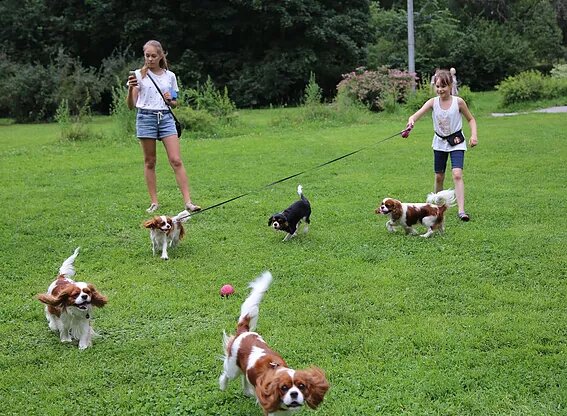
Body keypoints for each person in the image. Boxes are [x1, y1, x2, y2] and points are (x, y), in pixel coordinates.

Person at [127, 40, 200, 213]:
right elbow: (131, 105)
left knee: (176, 160)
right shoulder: (138, 75)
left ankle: (188, 202)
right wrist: (130, 89)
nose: (150, 59)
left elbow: (174, 103)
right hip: (145, 117)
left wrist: (170, 100)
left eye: (153, 56)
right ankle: (154, 202)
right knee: (150, 161)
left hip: (165, 118)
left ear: (161, 56)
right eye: (147, 56)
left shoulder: (170, 76)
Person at [406, 69, 477, 221]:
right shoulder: (433, 102)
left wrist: (474, 135)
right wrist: (411, 122)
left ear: (450, 86)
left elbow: (471, 119)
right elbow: (416, 115)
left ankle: (461, 211)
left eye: (443, 86)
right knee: (439, 177)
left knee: (457, 174)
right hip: (439, 143)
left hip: (456, 142)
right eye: (437, 86)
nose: (440, 90)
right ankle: (436, 209)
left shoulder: (458, 102)